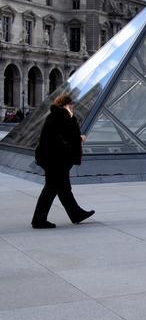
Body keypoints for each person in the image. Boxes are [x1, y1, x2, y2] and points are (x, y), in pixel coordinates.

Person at [30, 93, 94, 229]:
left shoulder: (54, 117)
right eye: (72, 104)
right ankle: (38, 220)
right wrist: (80, 138)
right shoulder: (62, 118)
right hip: (57, 160)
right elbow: (66, 138)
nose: (73, 107)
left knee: (63, 189)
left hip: (52, 158)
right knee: (51, 189)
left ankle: (76, 214)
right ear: (66, 105)